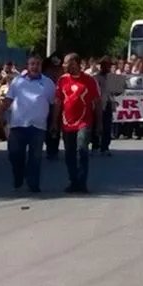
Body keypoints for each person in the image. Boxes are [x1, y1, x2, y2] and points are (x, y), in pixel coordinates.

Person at [2, 55, 56, 193]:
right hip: (18, 125)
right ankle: (19, 177)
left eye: (38, 64)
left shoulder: (48, 83)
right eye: (32, 64)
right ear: (27, 65)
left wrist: (54, 123)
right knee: (14, 155)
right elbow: (8, 100)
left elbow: (54, 104)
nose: (35, 66)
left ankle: (33, 184)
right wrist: (1, 116)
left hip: (38, 127)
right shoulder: (17, 81)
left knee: (36, 158)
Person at [56, 54, 101, 193]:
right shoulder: (62, 80)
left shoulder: (89, 80)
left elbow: (97, 103)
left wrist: (100, 124)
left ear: (75, 63)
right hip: (67, 123)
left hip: (84, 122)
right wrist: (53, 122)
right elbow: (58, 103)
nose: (63, 66)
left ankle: (82, 182)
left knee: (82, 149)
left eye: (66, 63)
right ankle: (73, 181)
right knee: (69, 153)